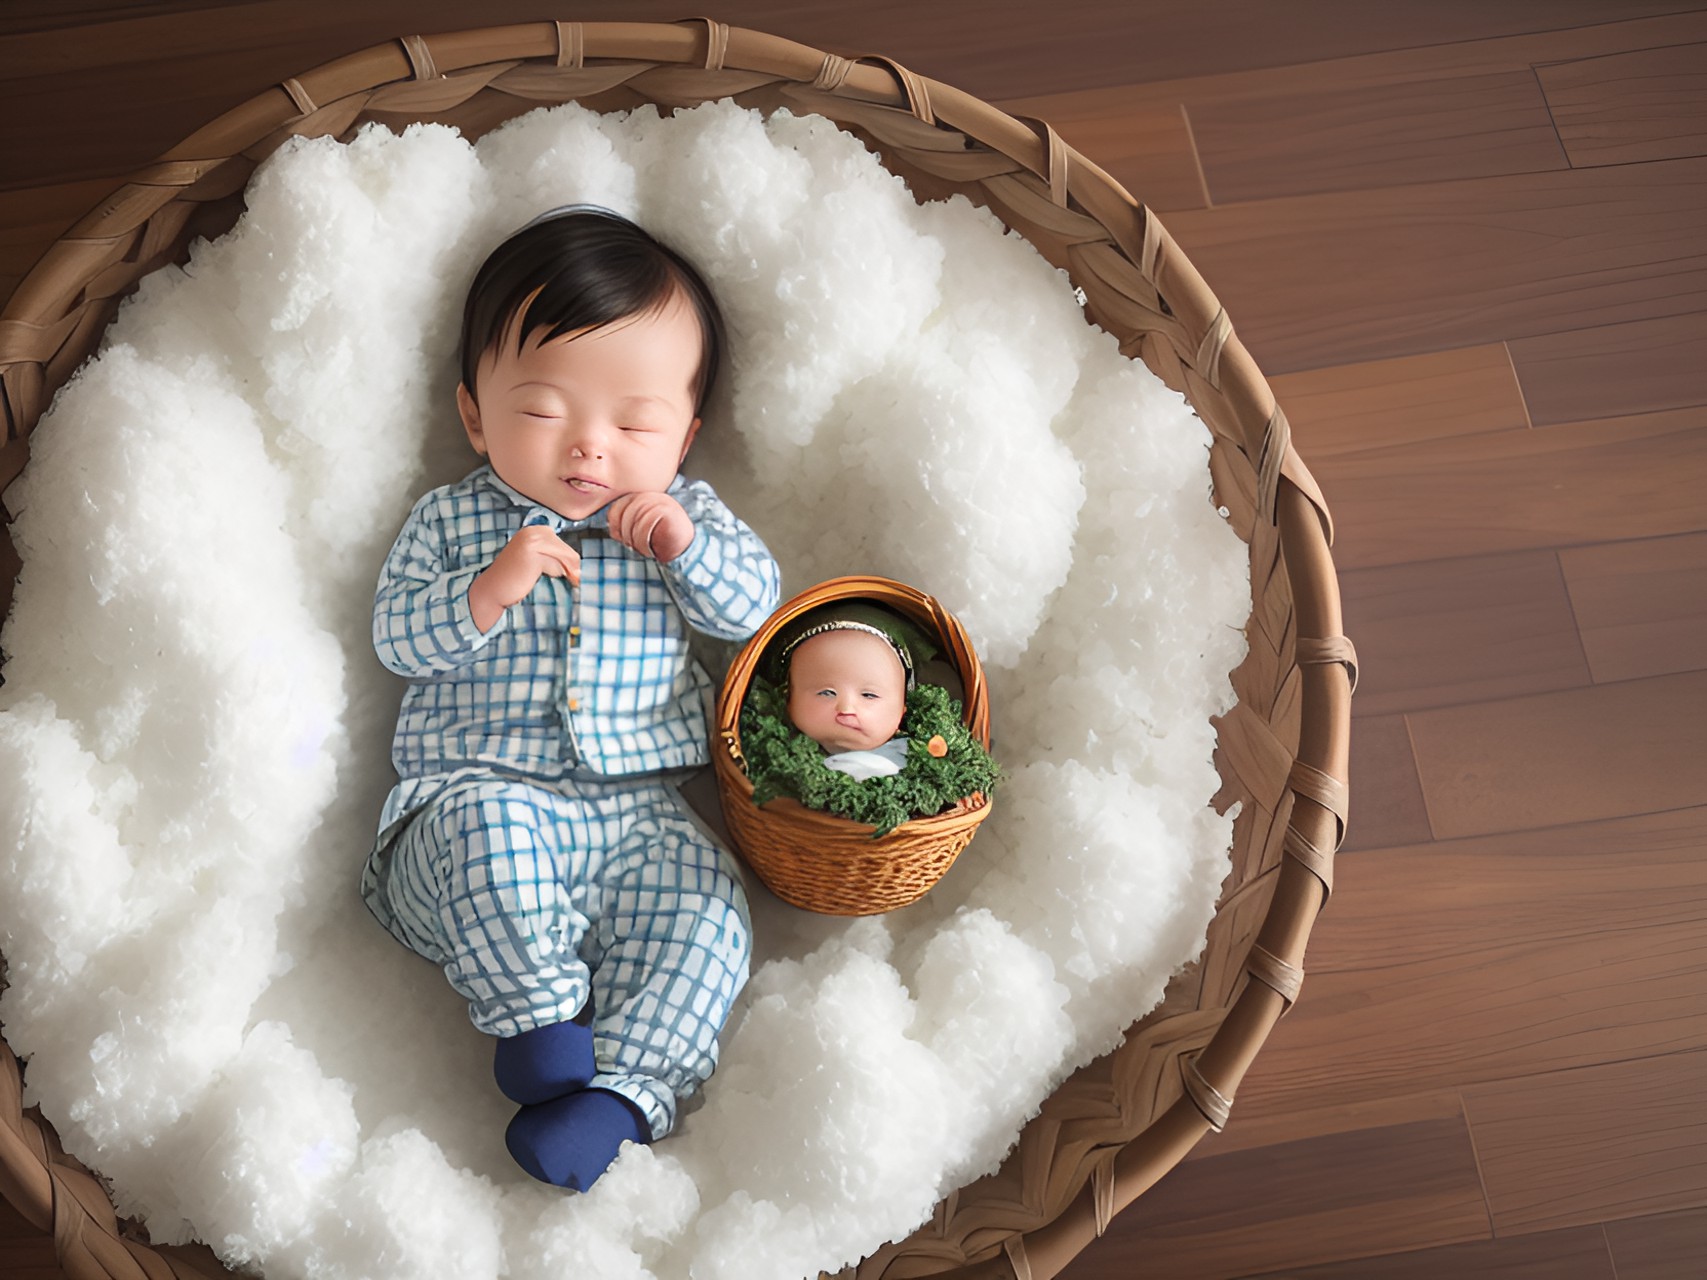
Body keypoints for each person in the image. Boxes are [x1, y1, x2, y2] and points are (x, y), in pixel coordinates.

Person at [360, 206, 781, 1191]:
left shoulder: (688, 519)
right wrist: (487, 588)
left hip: (639, 816)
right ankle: (541, 1029)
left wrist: (685, 545)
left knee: (711, 912)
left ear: (686, 434)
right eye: (545, 410)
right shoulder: (454, 520)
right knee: (488, 836)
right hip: (472, 794)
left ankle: (621, 1093)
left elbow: (755, 608)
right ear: (474, 415)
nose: (591, 448)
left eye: (636, 423)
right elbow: (395, 638)